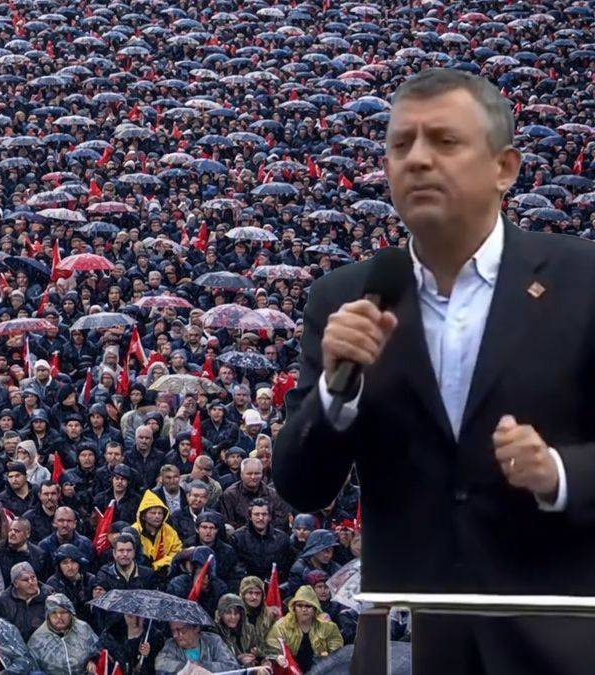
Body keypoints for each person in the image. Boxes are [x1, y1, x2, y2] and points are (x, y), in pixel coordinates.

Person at [274, 67, 595, 673]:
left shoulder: (584, 282)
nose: (417, 160)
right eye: (401, 145)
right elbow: (300, 485)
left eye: (444, 142)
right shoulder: (345, 298)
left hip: (559, 640)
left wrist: (557, 471)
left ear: (505, 168)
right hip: (408, 643)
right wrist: (336, 389)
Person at [264, 586, 345, 673]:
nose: (304, 609)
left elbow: (337, 653)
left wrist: (326, 658)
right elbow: (270, 647)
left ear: (315, 608)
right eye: (299, 605)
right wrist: (277, 657)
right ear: (294, 607)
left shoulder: (328, 627)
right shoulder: (281, 626)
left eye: (308, 606)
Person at [25, 594, 98, 675]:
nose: (59, 616)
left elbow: (98, 650)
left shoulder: (83, 628)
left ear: (71, 613)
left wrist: (92, 661)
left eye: (63, 612)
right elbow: (32, 667)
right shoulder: (38, 639)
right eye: (53, 613)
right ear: (47, 615)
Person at [152, 620, 238, 675]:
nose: (175, 635)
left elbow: (232, 666)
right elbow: (160, 664)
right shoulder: (171, 644)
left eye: (181, 630)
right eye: (173, 630)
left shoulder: (213, 641)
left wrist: (201, 666)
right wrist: (187, 667)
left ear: (196, 628)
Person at [212, 594, 265, 669]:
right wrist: (237, 660)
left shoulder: (249, 629)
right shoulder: (215, 633)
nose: (233, 617)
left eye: (236, 613)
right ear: (221, 614)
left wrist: (258, 654)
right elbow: (215, 662)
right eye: (228, 613)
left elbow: (262, 649)